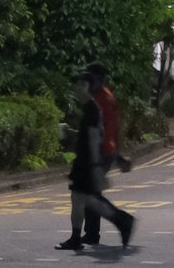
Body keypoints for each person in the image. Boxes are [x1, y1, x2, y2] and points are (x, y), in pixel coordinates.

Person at [58, 62, 135, 252]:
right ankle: (95, 231)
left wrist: (101, 161)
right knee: (87, 196)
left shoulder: (102, 100)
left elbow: (104, 130)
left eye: (87, 81)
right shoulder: (98, 98)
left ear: (96, 80)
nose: (82, 86)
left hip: (100, 151)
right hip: (99, 151)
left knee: (88, 196)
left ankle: (118, 222)